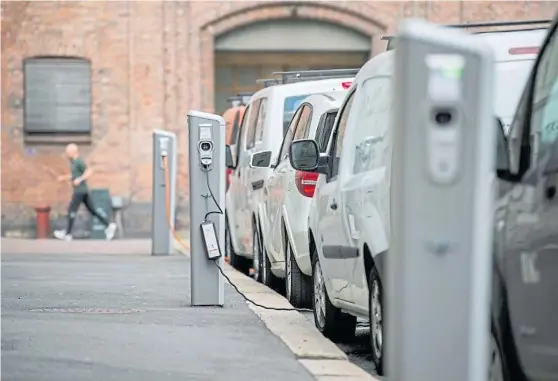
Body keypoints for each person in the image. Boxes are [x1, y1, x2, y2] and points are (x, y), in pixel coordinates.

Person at [53, 144, 117, 241]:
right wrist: (64, 178)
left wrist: (79, 179)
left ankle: (68, 234)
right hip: (84, 191)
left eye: (67, 151)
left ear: (73, 152)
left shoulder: (79, 161)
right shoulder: (73, 162)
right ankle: (109, 225)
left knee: (71, 210)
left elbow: (89, 171)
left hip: (80, 191)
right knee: (93, 210)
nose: (66, 154)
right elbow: (74, 175)